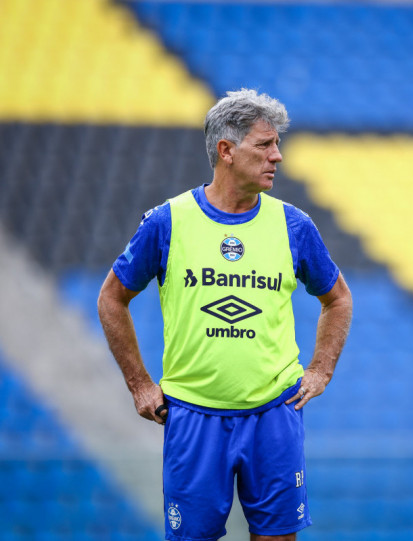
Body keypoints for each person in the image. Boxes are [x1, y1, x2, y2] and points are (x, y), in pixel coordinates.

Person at [97, 89, 353, 541]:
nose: (277, 156)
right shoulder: (167, 221)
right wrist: (139, 385)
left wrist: (320, 370)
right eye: (265, 144)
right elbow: (112, 298)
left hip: (274, 413)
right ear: (226, 151)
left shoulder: (294, 225)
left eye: (277, 144)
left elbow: (338, 299)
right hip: (193, 416)